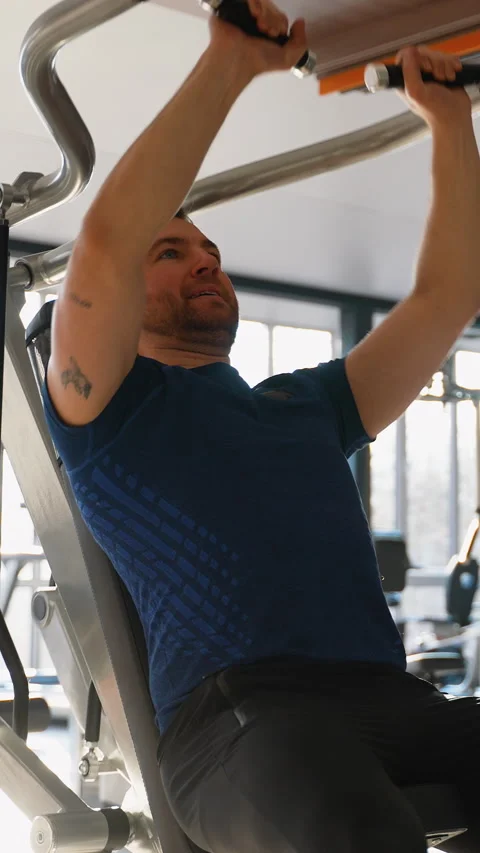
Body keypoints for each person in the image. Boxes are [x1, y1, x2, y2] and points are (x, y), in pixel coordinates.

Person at [41, 0, 480, 851]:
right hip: (240, 721)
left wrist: (452, 120)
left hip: (389, 698)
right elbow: (103, 241)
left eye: (209, 249)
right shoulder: (107, 416)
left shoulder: (307, 404)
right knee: (360, 830)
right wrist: (232, 64)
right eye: (171, 251)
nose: (205, 258)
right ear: (125, 302)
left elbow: (446, 299)